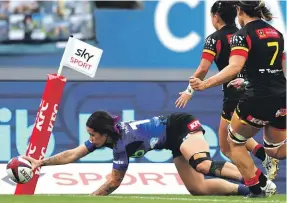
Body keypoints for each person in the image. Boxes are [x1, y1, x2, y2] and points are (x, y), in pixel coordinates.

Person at [23, 111, 253, 196]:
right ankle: (246, 190)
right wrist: (40, 162)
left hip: (181, 126)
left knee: (202, 165)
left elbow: (114, 183)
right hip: (171, 141)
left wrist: (92, 198)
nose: (91, 139)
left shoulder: (123, 144)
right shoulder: (109, 138)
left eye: (93, 135)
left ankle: (254, 180)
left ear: (104, 133)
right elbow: (73, 154)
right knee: (197, 188)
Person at [189, 0, 285, 197]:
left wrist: (205, 84)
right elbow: (277, 70)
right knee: (276, 151)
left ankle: (257, 189)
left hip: (257, 99)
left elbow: (234, 67)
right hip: (281, 96)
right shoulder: (276, 33)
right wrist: (247, 82)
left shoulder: (242, 35)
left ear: (240, 11)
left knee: (234, 142)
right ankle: (261, 183)